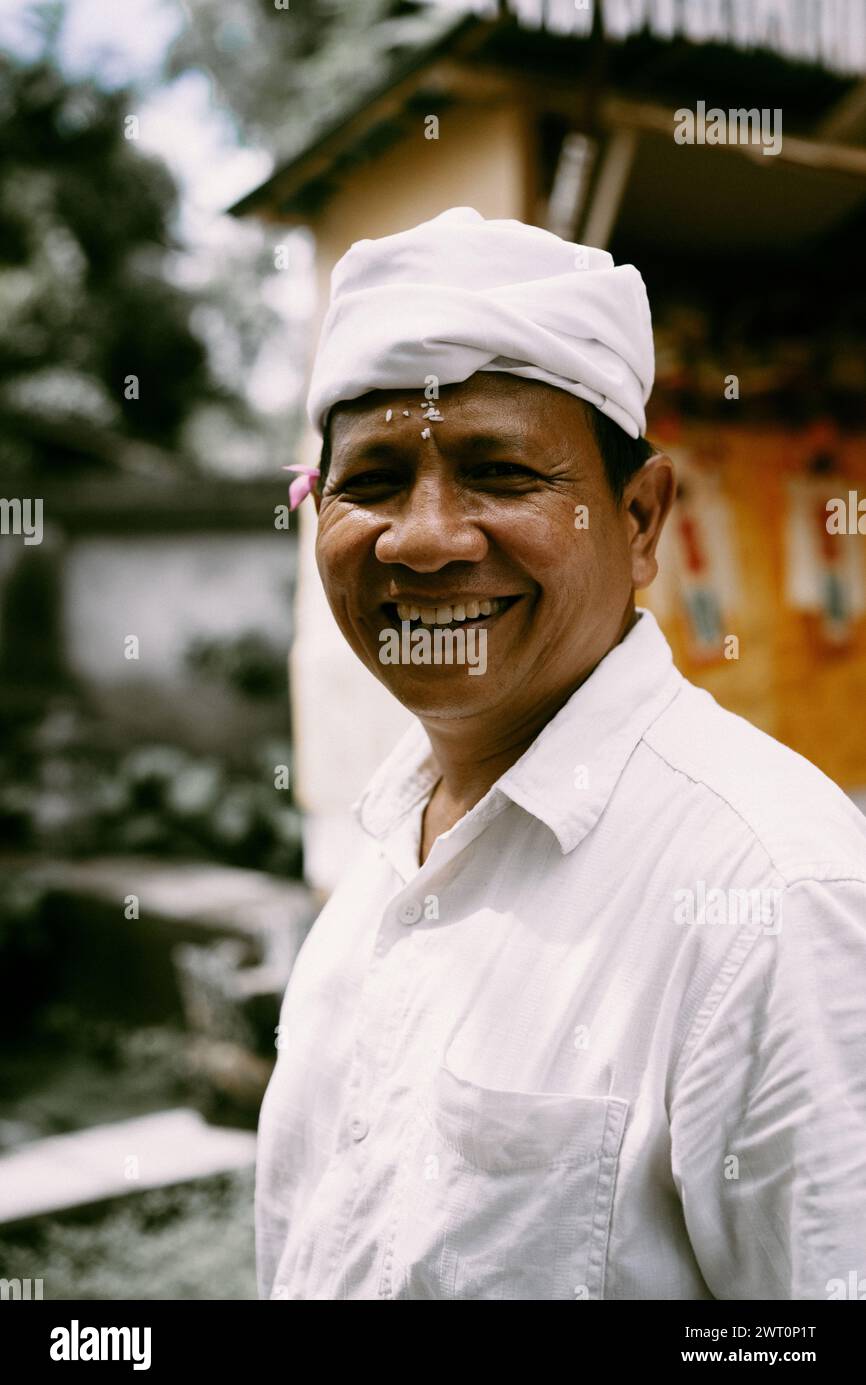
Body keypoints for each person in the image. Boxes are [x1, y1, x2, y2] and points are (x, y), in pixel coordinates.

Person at [256, 207, 866, 1301]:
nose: (425, 538)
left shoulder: (770, 894)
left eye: (497, 472)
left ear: (638, 520)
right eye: (375, 479)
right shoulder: (385, 858)